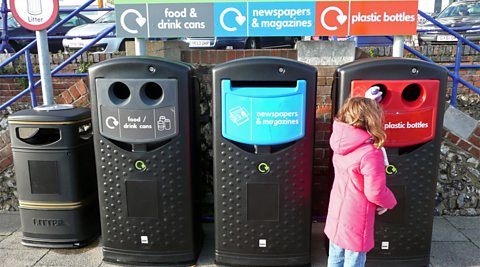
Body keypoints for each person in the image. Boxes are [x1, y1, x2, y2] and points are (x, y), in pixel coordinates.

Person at [324, 97, 397, 267]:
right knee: (354, 260)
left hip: (337, 210)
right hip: (357, 216)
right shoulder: (370, 153)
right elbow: (375, 191)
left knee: (336, 256)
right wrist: (390, 201)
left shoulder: (341, 142)